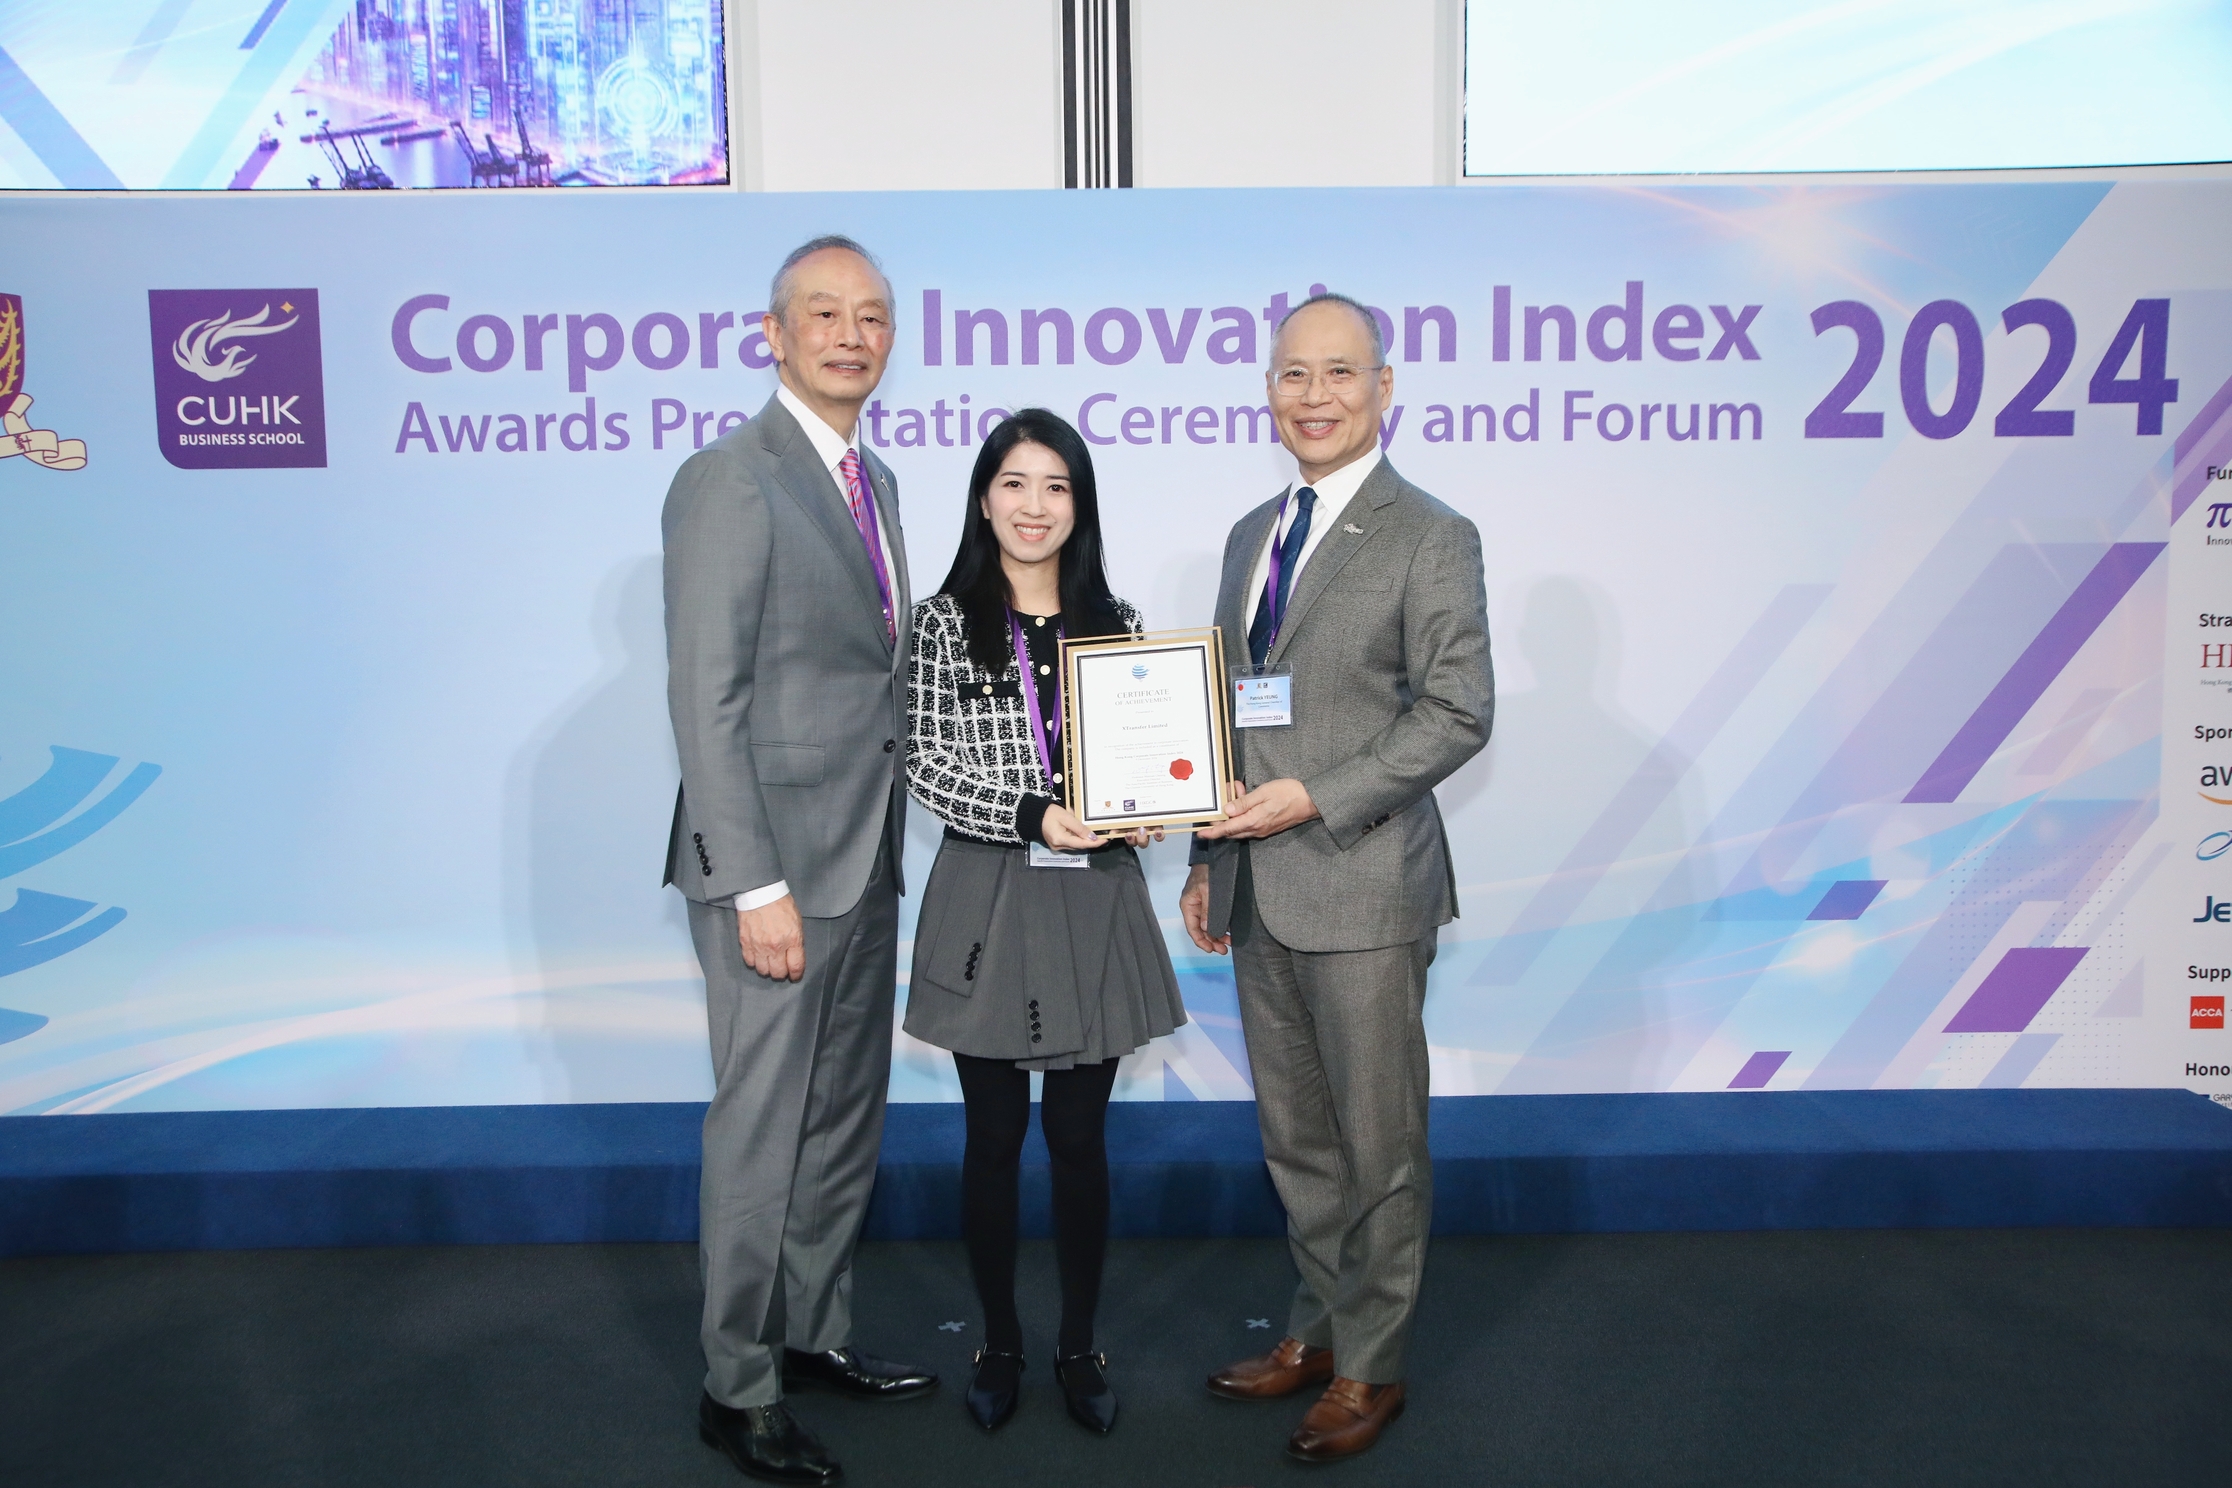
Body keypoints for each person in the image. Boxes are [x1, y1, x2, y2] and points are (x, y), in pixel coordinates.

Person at [1181, 293, 1493, 1464]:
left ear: (1384, 387)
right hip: (1259, 888)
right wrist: (1212, 857)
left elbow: (1460, 712)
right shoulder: (1252, 530)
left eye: (1339, 374)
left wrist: (1317, 795)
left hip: (1362, 881)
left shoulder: (1430, 533)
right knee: (1298, 1143)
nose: (1314, 396)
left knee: (1377, 1145)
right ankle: (1315, 1330)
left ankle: (1372, 1365)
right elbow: (1224, 714)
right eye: (1293, 375)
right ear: (1269, 388)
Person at [661, 234, 936, 1487]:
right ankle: (738, 1385)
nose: (850, 333)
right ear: (770, 334)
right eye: (822, 313)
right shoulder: (731, 477)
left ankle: (812, 1336)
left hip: (866, 856)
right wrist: (751, 884)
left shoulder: (870, 480)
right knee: (762, 1134)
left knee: (840, 1125)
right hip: (773, 876)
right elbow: (705, 699)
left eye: (872, 315)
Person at [902, 407, 1186, 1438]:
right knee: (991, 1137)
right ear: (985, 497)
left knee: (1076, 1137)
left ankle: (1077, 1345)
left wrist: (1148, 806)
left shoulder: (1119, 621)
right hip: (989, 893)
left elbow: (1150, 755)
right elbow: (927, 763)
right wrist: (1031, 813)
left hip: (1092, 895)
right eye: (1016, 484)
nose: (1035, 506)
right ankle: (1000, 1343)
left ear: (1081, 503)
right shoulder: (941, 623)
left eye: (1057, 486)